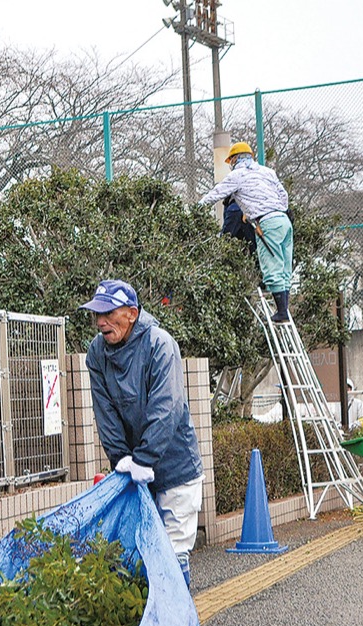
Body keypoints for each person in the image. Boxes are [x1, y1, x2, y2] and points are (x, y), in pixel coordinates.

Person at [82, 279, 205, 587]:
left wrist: (145, 457)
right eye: (97, 314)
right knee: (142, 552)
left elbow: (168, 407)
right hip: (135, 469)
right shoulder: (97, 353)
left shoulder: (159, 345)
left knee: (174, 552)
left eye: (109, 313)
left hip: (176, 466)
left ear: (132, 314)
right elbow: (105, 411)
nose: (101, 322)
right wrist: (121, 457)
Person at [197, 141, 294, 322]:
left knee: (271, 267)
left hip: (267, 223)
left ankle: (281, 313)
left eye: (231, 160)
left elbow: (217, 193)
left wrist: (196, 209)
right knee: (284, 267)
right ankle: (284, 309)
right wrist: (278, 209)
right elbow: (284, 196)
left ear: (234, 159)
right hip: (284, 221)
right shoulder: (268, 172)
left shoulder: (238, 175)